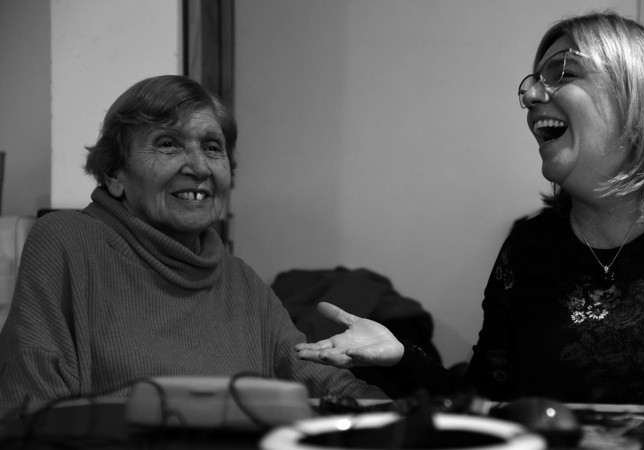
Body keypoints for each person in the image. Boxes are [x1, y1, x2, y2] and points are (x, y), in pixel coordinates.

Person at [297, 12, 644, 407]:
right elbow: (487, 404)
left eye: (563, 72)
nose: (532, 96)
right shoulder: (530, 248)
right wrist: (401, 358)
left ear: (643, 93)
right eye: (532, 84)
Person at [0, 75, 385, 405]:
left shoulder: (239, 279)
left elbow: (322, 383)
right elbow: (32, 402)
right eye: (168, 143)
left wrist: (405, 376)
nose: (199, 167)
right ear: (115, 174)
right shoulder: (67, 241)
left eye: (213, 148)